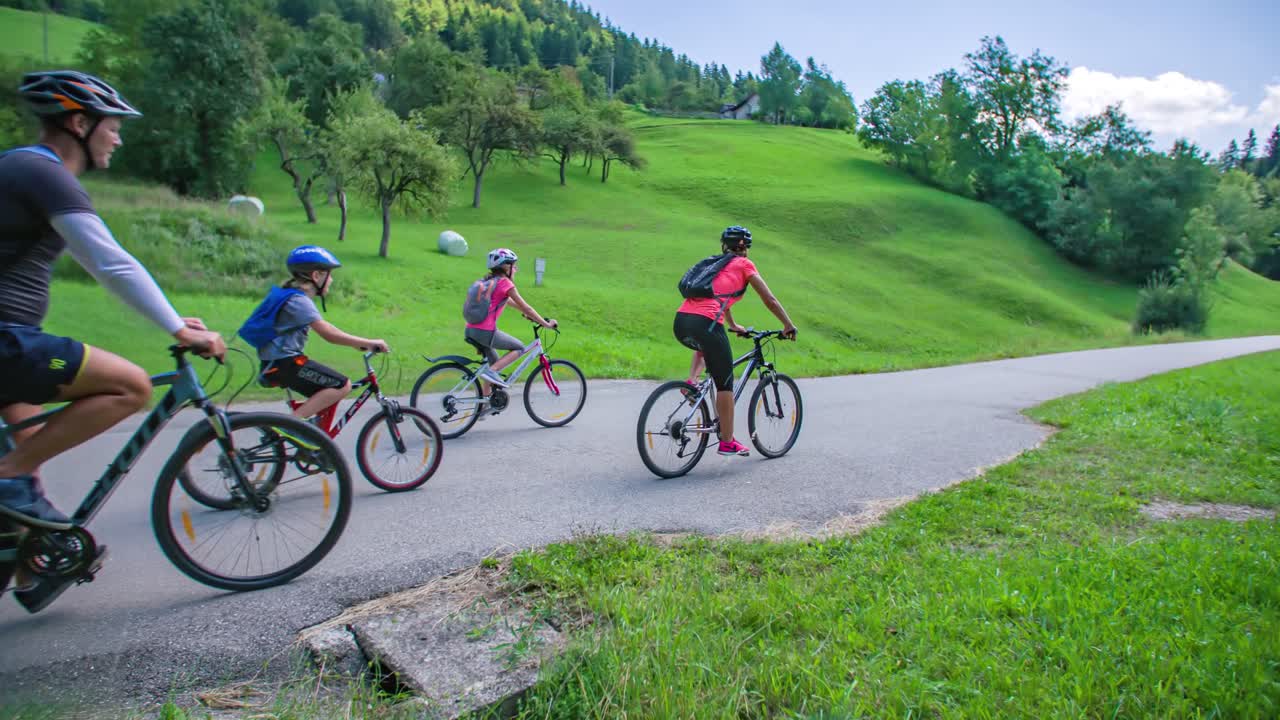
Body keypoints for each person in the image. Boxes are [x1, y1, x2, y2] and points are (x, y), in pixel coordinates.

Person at [0, 70, 225, 526]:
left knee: (33, 456)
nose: (118, 140)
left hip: (13, 342)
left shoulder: (17, 166)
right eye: (114, 127)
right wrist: (177, 330)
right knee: (131, 386)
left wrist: (169, 315)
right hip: (8, 340)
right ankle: (6, 478)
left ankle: (30, 561)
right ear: (79, 125)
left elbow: (95, 264)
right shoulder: (45, 173)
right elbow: (111, 263)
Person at [673, 226, 797, 457]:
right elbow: (769, 299)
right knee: (725, 383)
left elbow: (718, 298)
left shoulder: (716, 265)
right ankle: (727, 442)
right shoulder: (744, 265)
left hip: (681, 321)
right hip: (706, 323)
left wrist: (732, 324)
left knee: (706, 347)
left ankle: (692, 381)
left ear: (724, 246)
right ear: (745, 248)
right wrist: (788, 324)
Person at [253, 245, 389, 422]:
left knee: (327, 393)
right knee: (342, 385)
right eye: (329, 274)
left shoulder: (290, 295)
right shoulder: (299, 301)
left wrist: (357, 343)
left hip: (277, 362)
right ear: (316, 276)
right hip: (286, 363)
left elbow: (328, 330)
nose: (331, 280)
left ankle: (314, 440)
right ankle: (291, 426)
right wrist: (370, 342)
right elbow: (328, 333)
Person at [464, 248, 557, 410]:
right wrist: (545, 324)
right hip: (486, 332)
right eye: (514, 266)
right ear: (506, 267)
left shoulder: (490, 282)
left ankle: (483, 406)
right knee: (519, 348)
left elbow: (511, 303)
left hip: (471, 330)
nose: (516, 269)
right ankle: (491, 374)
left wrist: (528, 315)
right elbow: (526, 307)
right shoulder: (505, 283)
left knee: (494, 364)